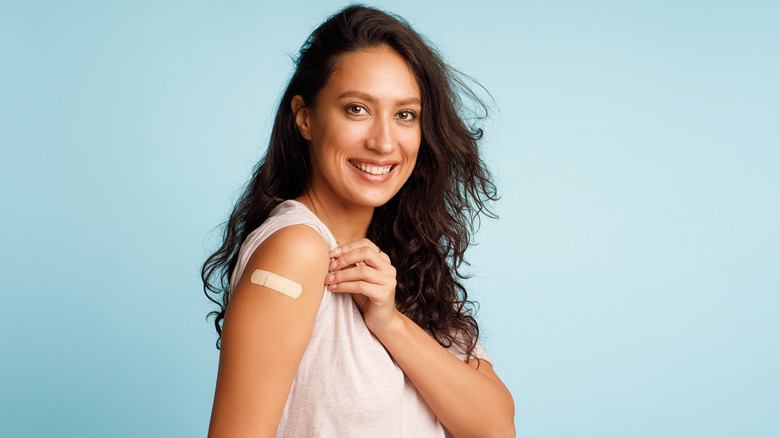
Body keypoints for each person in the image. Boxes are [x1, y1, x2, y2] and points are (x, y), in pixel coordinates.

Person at [202, 5, 515, 437]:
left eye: (405, 114)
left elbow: (496, 427)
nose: (384, 141)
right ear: (305, 117)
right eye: (357, 109)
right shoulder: (296, 251)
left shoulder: (406, 259)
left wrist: (390, 323)